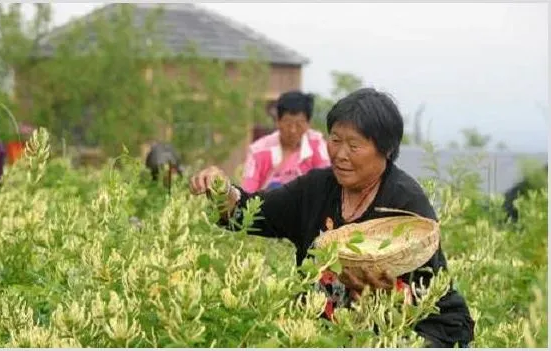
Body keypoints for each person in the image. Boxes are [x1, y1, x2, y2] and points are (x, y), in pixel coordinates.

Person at [189, 88, 475, 348]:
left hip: (401, 333)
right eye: (335, 140)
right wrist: (221, 190)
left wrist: (391, 298)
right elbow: (247, 212)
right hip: (323, 334)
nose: (339, 154)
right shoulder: (316, 189)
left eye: (354, 145)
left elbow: (431, 296)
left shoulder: (405, 202)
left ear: (386, 150)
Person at [241, 91, 330, 193]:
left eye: (299, 124)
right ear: (278, 121)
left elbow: (326, 183)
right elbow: (247, 192)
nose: (293, 130)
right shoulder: (259, 151)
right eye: (288, 124)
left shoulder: (317, 145)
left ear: (308, 124)